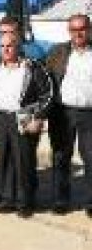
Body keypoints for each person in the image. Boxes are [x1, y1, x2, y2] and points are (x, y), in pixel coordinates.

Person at [0, 31, 53, 218]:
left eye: (10, 45)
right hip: (0, 119)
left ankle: (25, 202)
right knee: (4, 160)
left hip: (23, 119)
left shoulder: (32, 68)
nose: (6, 49)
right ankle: (7, 199)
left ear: (19, 47)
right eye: (2, 46)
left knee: (24, 162)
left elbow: (48, 95)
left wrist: (38, 118)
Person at [46, 14, 92, 216]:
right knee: (61, 157)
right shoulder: (57, 52)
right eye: (74, 29)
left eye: (82, 28)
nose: (78, 33)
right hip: (62, 113)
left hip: (89, 113)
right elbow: (44, 79)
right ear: (69, 31)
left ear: (89, 29)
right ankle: (60, 200)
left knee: (91, 158)